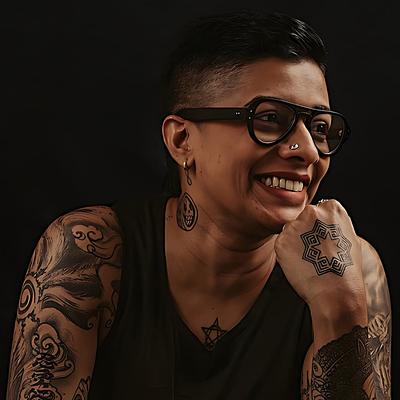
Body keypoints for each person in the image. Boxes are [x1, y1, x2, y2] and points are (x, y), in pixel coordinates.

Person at [6, 9, 392, 400]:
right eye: (270, 119)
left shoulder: (351, 271)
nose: (308, 151)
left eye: (320, 127)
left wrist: (341, 308)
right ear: (182, 141)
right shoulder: (91, 251)